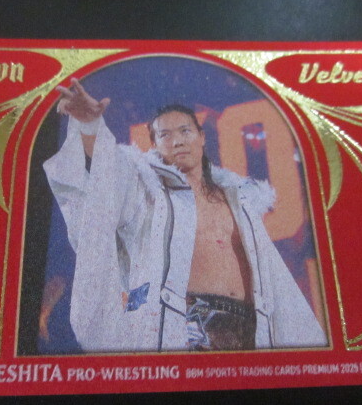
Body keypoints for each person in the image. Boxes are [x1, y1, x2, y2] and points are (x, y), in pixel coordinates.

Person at [43, 78, 327, 352]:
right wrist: (90, 124)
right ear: (154, 145)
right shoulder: (147, 194)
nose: (177, 141)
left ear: (202, 137)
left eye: (185, 131)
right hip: (182, 326)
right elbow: (109, 169)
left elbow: (276, 280)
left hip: (249, 329)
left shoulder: (240, 201)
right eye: (165, 135)